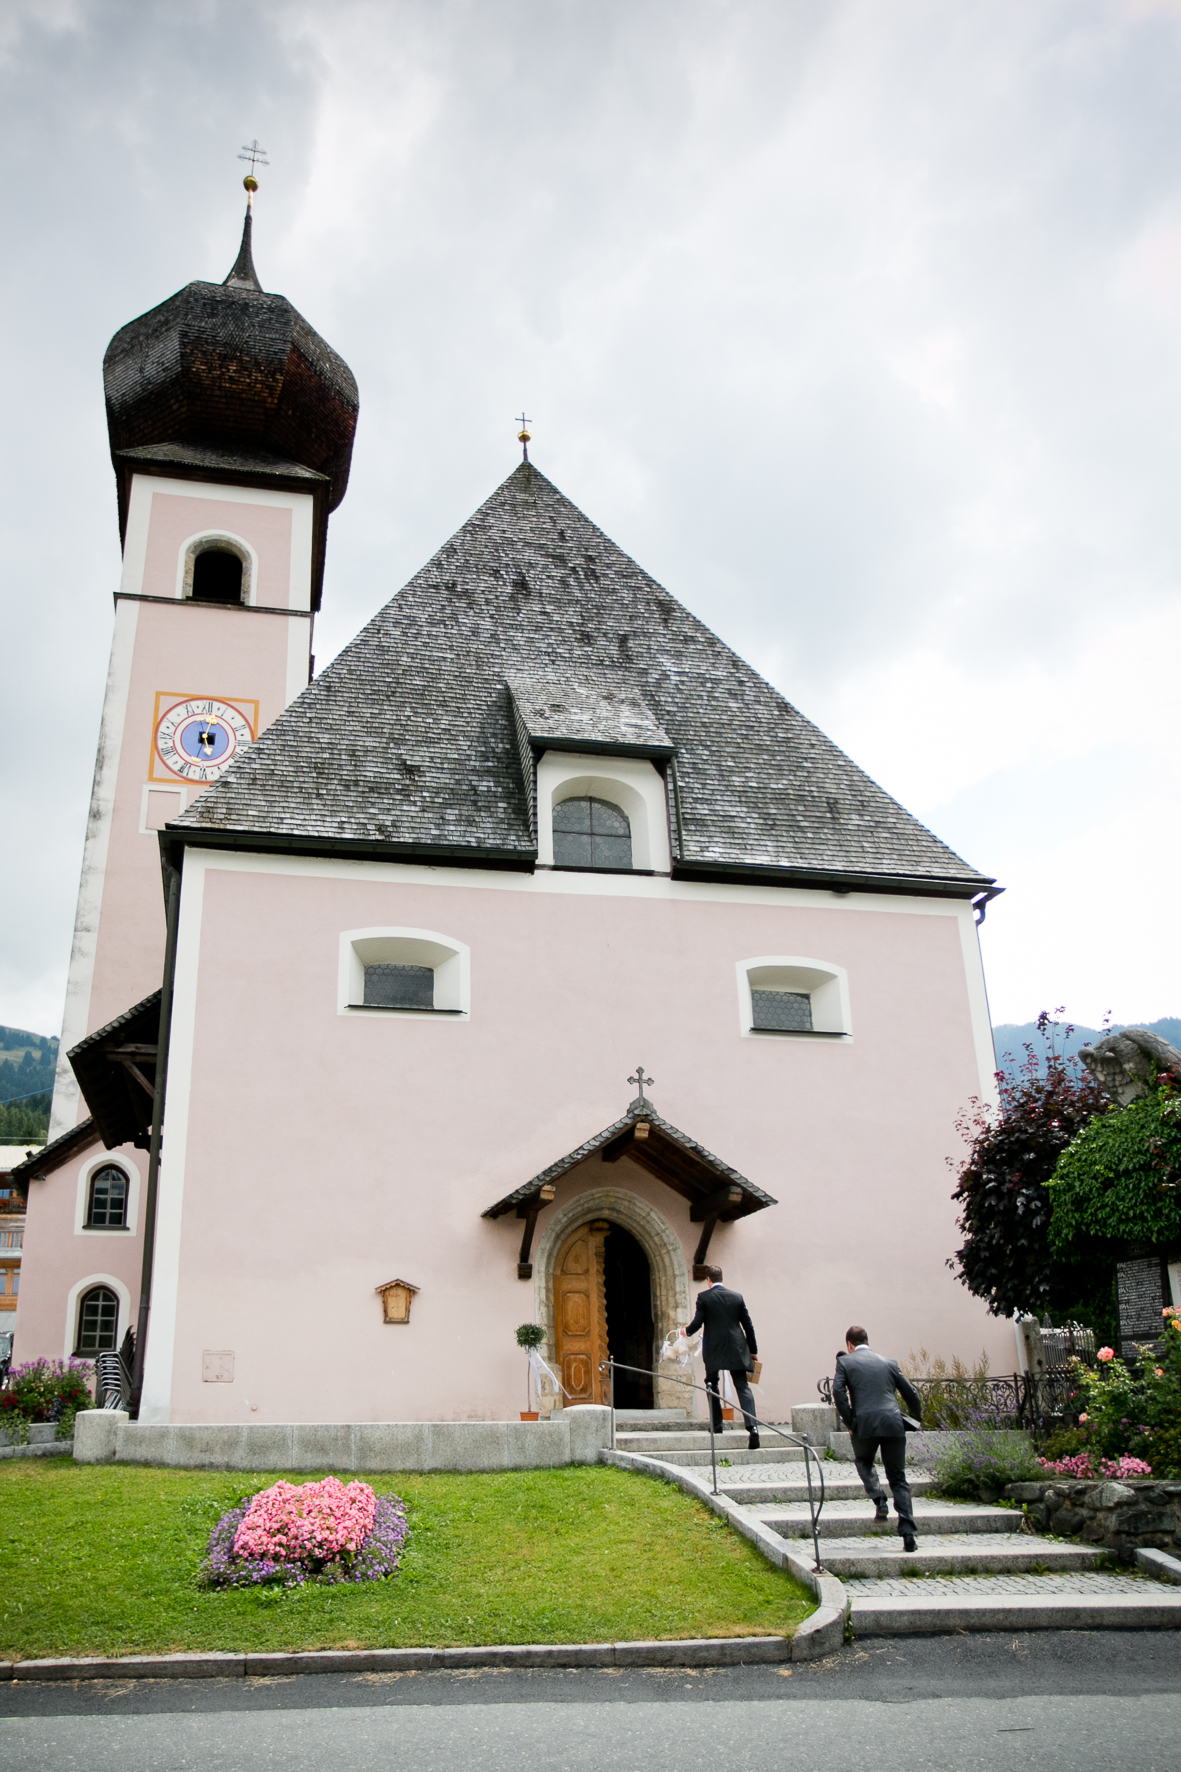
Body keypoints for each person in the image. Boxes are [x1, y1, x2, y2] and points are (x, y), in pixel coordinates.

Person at [832, 1325, 922, 1551]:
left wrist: (850, 1422)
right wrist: (915, 1419)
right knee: (899, 1478)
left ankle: (879, 1500)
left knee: (863, 1461)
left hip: (864, 1425)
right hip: (893, 1423)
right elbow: (910, 1393)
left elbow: (838, 1392)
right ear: (867, 1341)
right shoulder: (889, 1362)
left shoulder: (845, 1362)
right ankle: (908, 1534)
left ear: (849, 1345)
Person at [683, 1266, 760, 1448]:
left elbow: (697, 1322)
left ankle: (716, 1424)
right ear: (721, 1278)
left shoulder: (704, 1297)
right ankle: (753, 1427)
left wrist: (684, 1332)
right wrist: (753, 1351)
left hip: (714, 1347)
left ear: (709, 1279)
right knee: (742, 1385)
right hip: (737, 1345)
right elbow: (748, 1326)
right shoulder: (737, 1297)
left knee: (711, 1383)